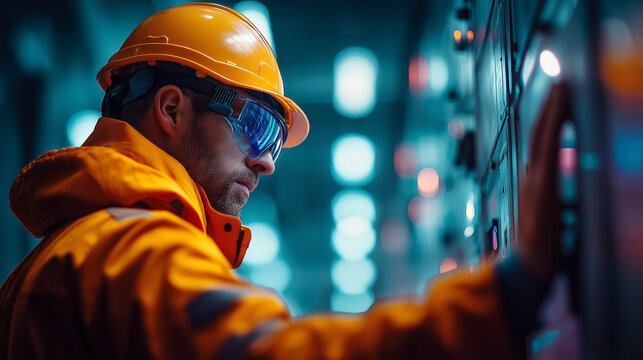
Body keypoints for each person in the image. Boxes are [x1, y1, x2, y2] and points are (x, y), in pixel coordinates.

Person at [0, 3, 568, 359]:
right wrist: (505, 296)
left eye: (272, 143)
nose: (267, 163)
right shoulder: (131, 251)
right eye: (253, 127)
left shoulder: (60, 257)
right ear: (171, 110)